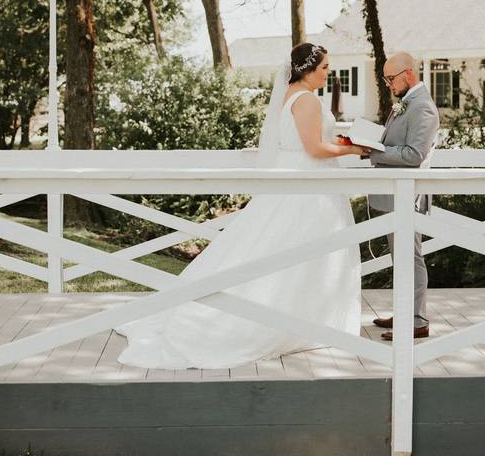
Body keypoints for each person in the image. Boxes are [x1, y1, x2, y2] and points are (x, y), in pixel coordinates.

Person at [115, 43, 367, 369]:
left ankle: (305, 319)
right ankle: (290, 322)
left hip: (299, 179)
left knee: (288, 252)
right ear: (307, 69)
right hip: (307, 185)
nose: (327, 73)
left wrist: (342, 143)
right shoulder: (304, 100)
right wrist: (353, 150)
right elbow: (315, 149)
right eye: (324, 68)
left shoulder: (292, 94)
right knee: (299, 252)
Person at [367, 52, 440, 340]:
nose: (387, 84)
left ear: (408, 74)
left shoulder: (423, 108)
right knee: (402, 259)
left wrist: (375, 151)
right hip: (395, 195)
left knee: (411, 258)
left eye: (390, 78)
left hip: (408, 197)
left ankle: (417, 321)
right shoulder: (407, 104)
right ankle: (405, 313)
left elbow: (414, 155)